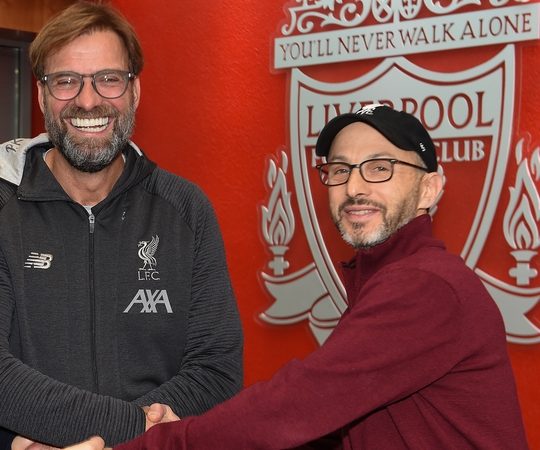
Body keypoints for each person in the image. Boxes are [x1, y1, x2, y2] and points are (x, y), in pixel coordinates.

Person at [70, 104, 529, 449]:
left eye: (380, 167)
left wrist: (157, 443)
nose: (354, 187)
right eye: (340, 169)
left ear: (429, 187)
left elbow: (299, 405)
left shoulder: (426, 287)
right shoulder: (384, 280)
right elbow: (328, 421)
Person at [0, 1, 244, 448]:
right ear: (42, 94)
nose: (87, 99)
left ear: (134, 90)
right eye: (66, 81)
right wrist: (135, 427)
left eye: (109, 79)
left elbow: (217, 368)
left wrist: (127, 440)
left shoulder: (186, 209)